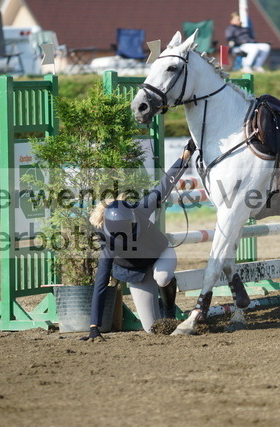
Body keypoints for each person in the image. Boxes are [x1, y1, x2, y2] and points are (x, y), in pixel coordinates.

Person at [83, 140, 196, 341]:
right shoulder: (108, 245)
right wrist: (94, 327)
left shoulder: (140, 210)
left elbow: (165, 184)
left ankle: (169, 309)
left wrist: (185, 156)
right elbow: (101, 283)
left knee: (162, 277)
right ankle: (159, 307)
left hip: (160, 254)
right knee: (152, 329)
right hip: (135, 272)